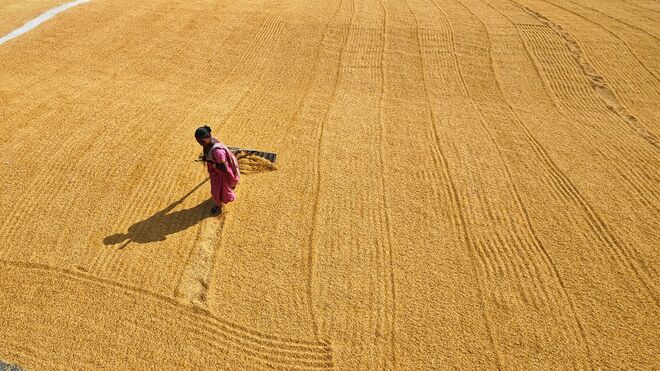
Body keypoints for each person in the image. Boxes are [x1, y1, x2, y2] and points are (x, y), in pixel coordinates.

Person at [195, 126, 240, 214]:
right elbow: (206, 149)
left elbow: (224, 168)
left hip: (221, 173)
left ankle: (218, 205)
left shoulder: (218, 152)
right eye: (198, 142)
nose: (201, 144)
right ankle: (230, 187)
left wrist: (211, 162)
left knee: (217, 190)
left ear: (208, 137)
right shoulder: (209, 142)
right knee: (225, 187)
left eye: (202, 141)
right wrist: (206, 157)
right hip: (217, 170)